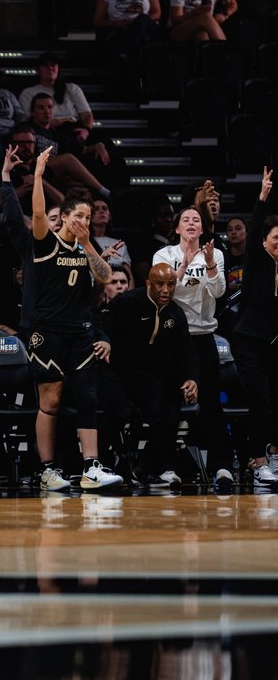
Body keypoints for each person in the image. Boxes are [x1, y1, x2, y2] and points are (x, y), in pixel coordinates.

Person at [28, 146, 122, 492]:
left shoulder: (86, 248)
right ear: (65, 217)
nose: (84, 221)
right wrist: (38, 175)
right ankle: (48, 470)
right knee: (50, 399)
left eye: (88, 216)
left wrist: (88, 245)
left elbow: (104, 275)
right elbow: (38, 213)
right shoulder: (45, 243)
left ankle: (91, 466)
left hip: (80, 330)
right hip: (48, 331)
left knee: (88, 397)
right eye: (79, 216)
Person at [153, 204, 235, 493]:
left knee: (212, 404)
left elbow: (219, 291)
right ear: (177, 228)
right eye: (185, 220)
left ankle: (222, 466)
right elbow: (162, 293)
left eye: (196, 220)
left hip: (203, 337)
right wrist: (184, 267)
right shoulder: (164, 255)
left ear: (202, 229)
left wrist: (210, 264)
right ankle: (166, 467)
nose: (190, 223)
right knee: (169, 405)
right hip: (172, 339)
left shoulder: (216, 254)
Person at [101, 263, 199, 487]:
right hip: (117, 372)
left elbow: (187, 352)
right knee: (119, 412)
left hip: (149, 377)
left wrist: (192, 379)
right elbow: (101, 323)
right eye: (160, 284)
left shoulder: (175, 313)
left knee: (169, 414)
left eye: (171, 285)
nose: (166, 290)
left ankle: (144, 469)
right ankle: (103, 462)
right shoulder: (127, 302)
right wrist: (103, 341)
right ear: (148, 284)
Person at [230, 167, 278, 487]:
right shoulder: (257, 260)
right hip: (248, 339)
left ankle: (272, 453)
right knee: (259, 398)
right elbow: (257, 225)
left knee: (275, 399)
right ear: (264, 242)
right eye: (277, 238)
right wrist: (262, 197)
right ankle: (257, 460)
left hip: (273, 341)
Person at [16, 52, 95, 135]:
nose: (50, 68)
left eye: (53, 65)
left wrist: (86, 130)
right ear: (38, 71)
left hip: (73, 128)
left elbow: (86, 114)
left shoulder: (72, 88)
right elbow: (27, 119)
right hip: (44, 130)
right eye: (46, 65)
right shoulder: (28, 93)